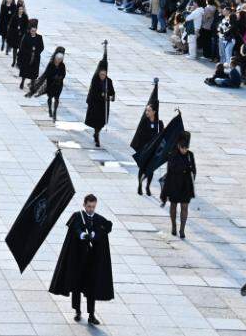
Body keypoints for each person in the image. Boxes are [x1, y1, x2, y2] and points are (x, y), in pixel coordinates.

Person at [49, 194, 114, 325]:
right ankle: (77, 311)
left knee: (92, 288)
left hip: (92, 261)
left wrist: (96, 234)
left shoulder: (98, 219)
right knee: (76, 286)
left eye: (93, 207)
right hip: (78, 259)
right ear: (84, 205)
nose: (91, 209)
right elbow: (75, 228)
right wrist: (82, 234)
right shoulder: (78, 216)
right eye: (89, 206)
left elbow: (107, 226)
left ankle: (91, 314)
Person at [159, 131, 196, 238]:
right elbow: (171, 169)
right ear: (179, 146)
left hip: (186, 185)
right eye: (183, 147)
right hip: (174, 184)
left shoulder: (190, 155)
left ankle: (182, 229)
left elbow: (193, 169)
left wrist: (190, 174)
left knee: (185, 207)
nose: (184, 150)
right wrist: (185, 169)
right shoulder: (173, 154)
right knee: (173, 206)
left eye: (186, 148)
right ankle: (174, 226)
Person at [130, 100, 163, 195]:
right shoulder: (144, 122)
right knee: (142, 168)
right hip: (145, 150)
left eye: (149, 110)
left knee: (150, 169)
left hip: (154, 151)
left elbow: (162, 135)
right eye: (146, 110)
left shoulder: (159, 123)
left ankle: (147, 186)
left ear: (154, 112)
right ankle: (140, 185)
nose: (147, 112)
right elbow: (140, 135)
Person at [29, 46, 66, 122]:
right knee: (50, 97)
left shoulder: (62, 65)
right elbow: (47, 74)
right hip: (51, 84)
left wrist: (60, 77)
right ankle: (50, 109)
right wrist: (53, 77)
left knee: (57, 98)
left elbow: (64, 74)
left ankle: (55, 112)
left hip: (59, 85)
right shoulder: (51, 64)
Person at [84, 63, 116, 148]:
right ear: (99, 73)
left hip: (104, 105)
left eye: (104, 75)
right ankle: (97, 137)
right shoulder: (95, 80)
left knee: (102, 122)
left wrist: (112, 96)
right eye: (101, 74)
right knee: (96, 122)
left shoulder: (108, 81)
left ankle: (96, 133)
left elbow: (112, 92)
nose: (103, 76)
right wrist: (102, 94)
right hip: (96, 104)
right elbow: (93, 92)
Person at [18, 19, 44, 90]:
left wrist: (36, 52)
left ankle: (32, 85)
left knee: (33, 73)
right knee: (25, 71)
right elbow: (22, 47)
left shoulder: (39, 37)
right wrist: (29, 52)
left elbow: (41, 47)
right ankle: (22, 82)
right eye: (32, 31)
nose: (33, 32)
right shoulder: (26, 36)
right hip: (27, 57)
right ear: (30, 30)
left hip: (35, 58)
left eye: (34, 31)